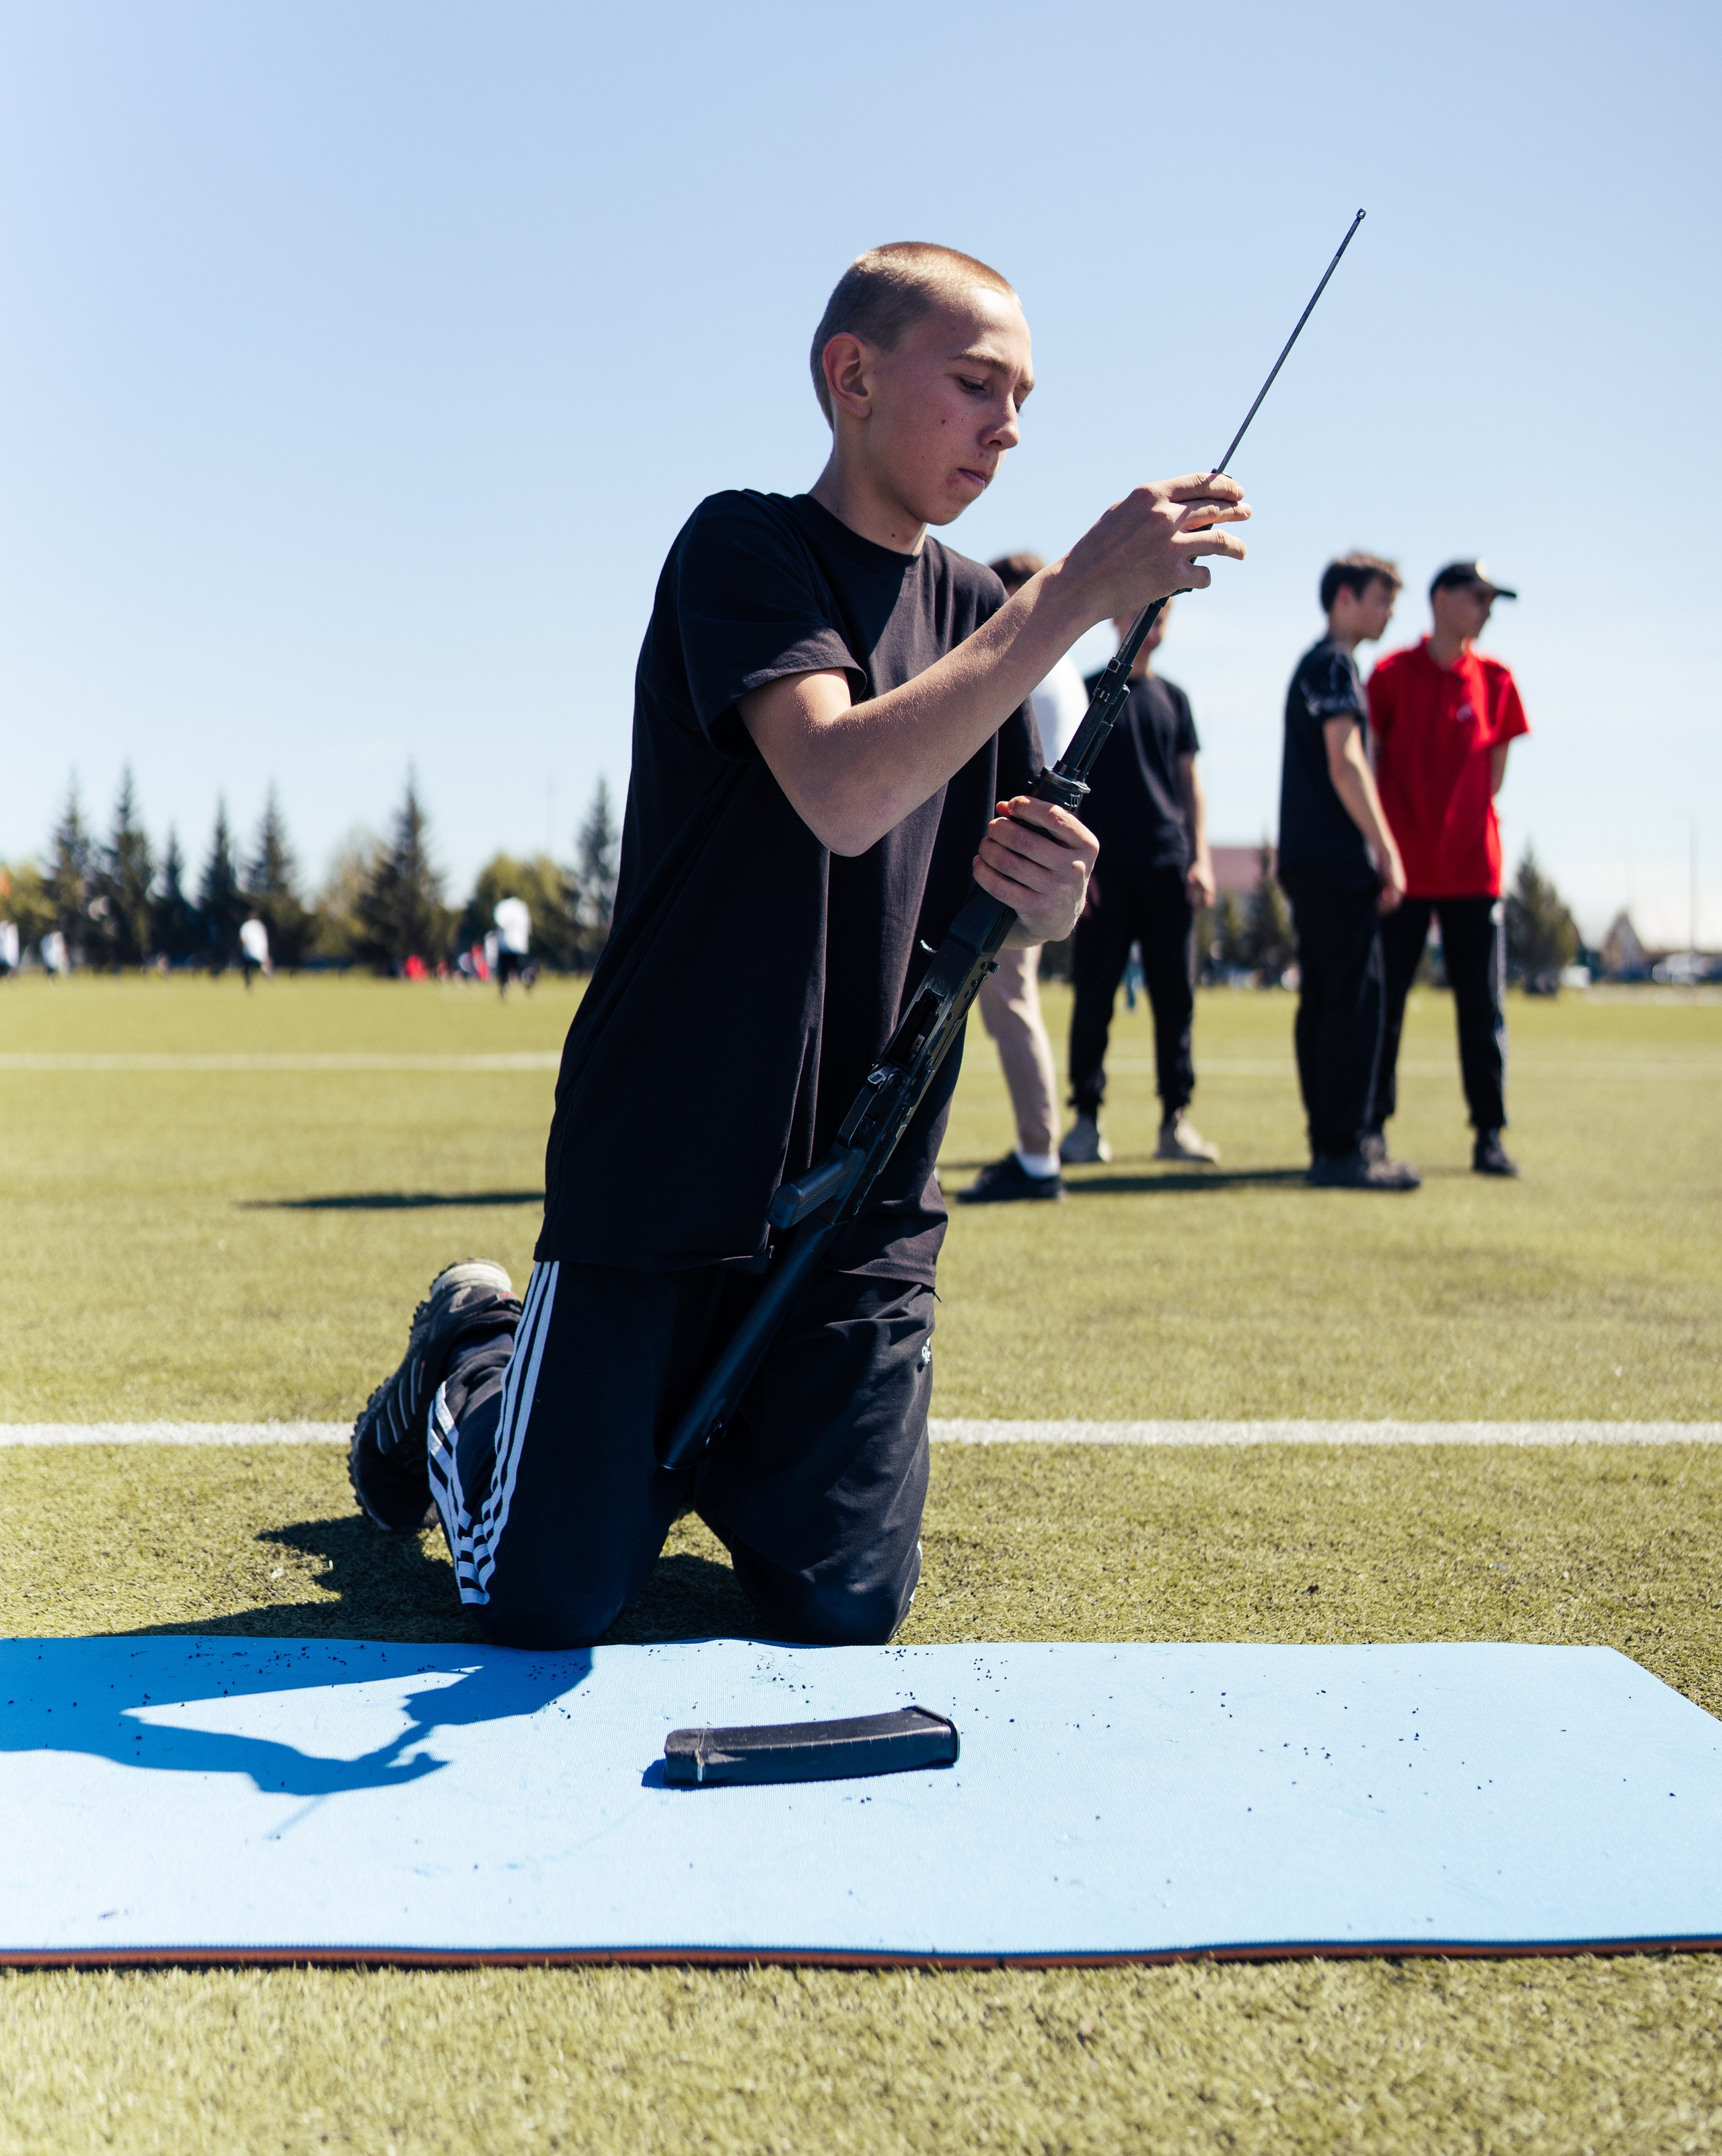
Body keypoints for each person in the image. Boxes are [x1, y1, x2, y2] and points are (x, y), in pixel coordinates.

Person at [349, 239, 1250, 1650]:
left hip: (861, 1197)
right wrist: (1072, 590)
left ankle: (673, 1453)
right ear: (849, 379)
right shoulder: (742, 547)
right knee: (542, 1603)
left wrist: (1051, 888)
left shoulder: (979, 613)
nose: (1007, 425)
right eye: (974, 385)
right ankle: (475, 1346)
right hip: (668, 1162)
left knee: (841, 1612)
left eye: (1023, 396)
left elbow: (1014, 893)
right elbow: (840, 787)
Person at [1366, 560, 1529, 1179]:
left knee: (1481, 1008)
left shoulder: (1497, 680)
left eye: (1493, 600)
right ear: (1441, 598)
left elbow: (1494, 778)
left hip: (1473, 874)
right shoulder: (1388, 676)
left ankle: (1489, 1135)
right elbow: (1371, 760)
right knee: (1386, 1006)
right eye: (1478, 596)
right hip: (1402, 875)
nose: (1486, 609)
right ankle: (1372, 1126)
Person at [1276, 554, 1420, 1191]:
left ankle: (1330, 1142)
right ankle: (1345, 1148)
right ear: (1344, 597)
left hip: (1310, 862)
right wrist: (1386, 847)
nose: (1389, 612)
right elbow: (1347, 763)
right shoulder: (1335, 664)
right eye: (1381, 598)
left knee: (1326, 1002)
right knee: (1354, 1004)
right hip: (1336, 863)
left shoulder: (1317, 665)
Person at [1061, 603, 1220, 1165]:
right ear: (1116, 617)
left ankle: (1175, 1123)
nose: (1154, 621)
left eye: (1163, 611)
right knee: (1095, 999)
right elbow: (1067, 783)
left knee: (1176, 1000)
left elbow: (1190, 784)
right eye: (1142, 609)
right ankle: (1085, 1122)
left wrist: (1200, 858)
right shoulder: (1088, 693)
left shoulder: (1174, 699)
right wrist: (1077, 867)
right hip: (1104, 875)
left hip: (1168, 869)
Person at [958, 550, 1089, 1205]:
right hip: (1021, 864)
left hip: (1010, 866)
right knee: (1009, 1009)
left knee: (1011, 1008)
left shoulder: (1030, 669)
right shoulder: (1059, 670)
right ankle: (1037, 1154)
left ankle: (1039, 1159)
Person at [492, 893, 534, 995]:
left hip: (505, 944)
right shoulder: (521, 906)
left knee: (505, 969)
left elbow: (499, 922)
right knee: (521, 967)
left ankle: (504, 988)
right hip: (520, 944)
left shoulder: (501, 906)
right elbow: (527, 924)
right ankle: (526, 978)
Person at [237, 915, 272, 987]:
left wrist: (241, 947)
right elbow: (265, 937)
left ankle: (248, 981)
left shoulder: (246, 925)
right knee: (264, 964)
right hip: (260, 949)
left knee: (248, 967)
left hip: (249, 950)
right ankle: (268, 978)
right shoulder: (260, 925)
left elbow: (242, 938)